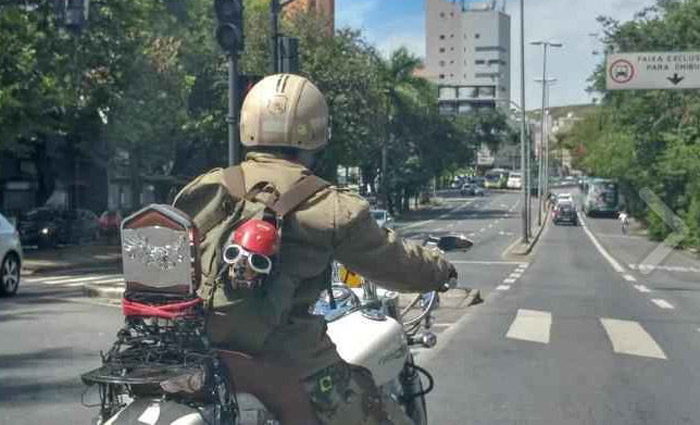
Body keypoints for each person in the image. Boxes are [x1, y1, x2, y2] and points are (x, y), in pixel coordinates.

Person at [205, 74, 457, 425]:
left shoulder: (205, 187)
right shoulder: (329, 206)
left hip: (200, 356)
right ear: (316, 132)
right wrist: (441, 270)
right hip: (292, 361)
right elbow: (394, 263)